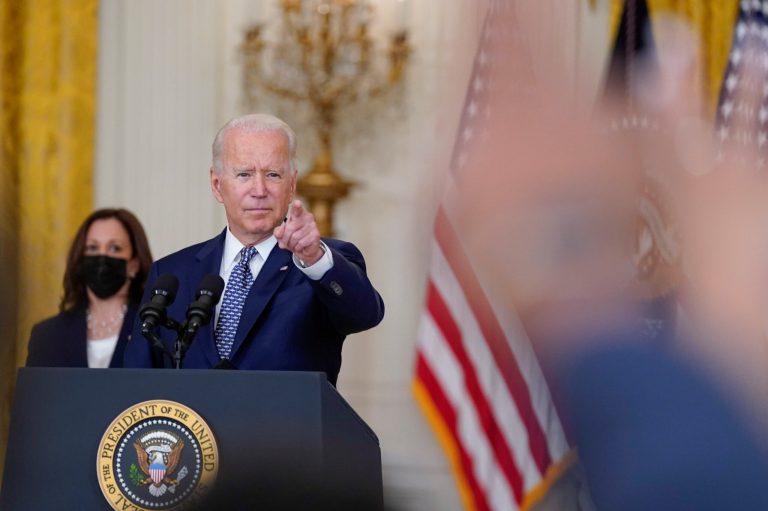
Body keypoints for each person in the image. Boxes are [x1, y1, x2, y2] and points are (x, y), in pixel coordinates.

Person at [124, 114, 384, 384]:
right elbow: (136, 383)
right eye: (244, 174)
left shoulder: (322, 262)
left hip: (287, 426)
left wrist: (314, 258)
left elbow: (364, 314)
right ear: (217, 184)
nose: (259, 190)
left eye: (273, 174)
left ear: (292, 184)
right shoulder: (172, 274)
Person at [26, 208, 153, 368]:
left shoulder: (153, 331)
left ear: (134, 264)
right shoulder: (47, 335)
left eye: (114, 248)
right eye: (93, 248)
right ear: (80, 259)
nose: (102, 257)